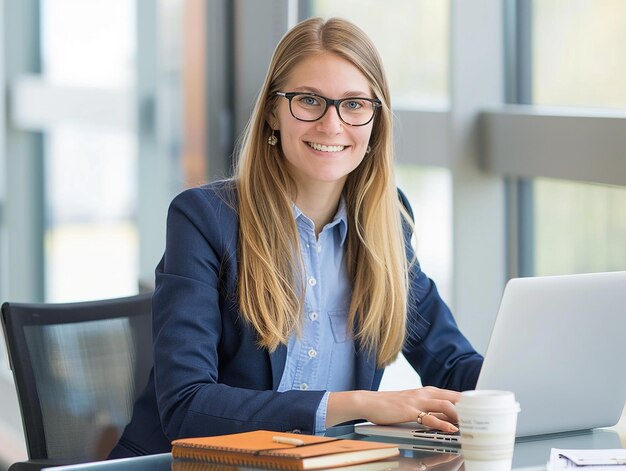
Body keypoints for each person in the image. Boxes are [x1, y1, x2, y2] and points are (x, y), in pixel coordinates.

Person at [109, 17, 483, 459]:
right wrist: (361, 406)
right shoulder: (204, 220)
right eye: (309, 100)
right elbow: (187, 406)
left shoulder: (387, 224)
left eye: (354, 104)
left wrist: (522, 388)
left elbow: (452, 362)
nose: (332, 124)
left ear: (375, 122)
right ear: (272, 110)